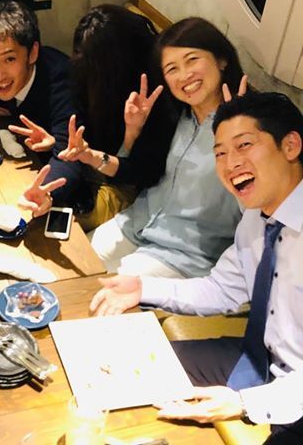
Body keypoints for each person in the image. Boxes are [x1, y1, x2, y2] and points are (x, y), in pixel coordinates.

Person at [89, 92, 303, 444]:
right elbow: (220, 289)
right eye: (219, 153)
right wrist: (143, 288)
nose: (230, 164)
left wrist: (245, 403)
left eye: (244, 145)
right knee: (123, 367)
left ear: (290, 145)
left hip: (295, 392)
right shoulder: (256, 218)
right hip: (258, 358)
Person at [82, 17, 244, 278]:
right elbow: (138, 173)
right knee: (75, 264)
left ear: (222, 60)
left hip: (185, 254)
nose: (184, 75)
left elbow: (261, 209)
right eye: (172, 69)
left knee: (95, 292)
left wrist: (244, 139)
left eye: (192, 60)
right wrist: (133, 132)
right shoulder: (176, 116)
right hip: (137, 224)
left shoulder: (249, 126)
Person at [17, 5, 174, 231]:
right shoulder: (88, 77)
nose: (79, 61)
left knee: (41, 225)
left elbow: (142, 175)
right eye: (78, 52)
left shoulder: (153, 97)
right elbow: (80, 137)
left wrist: (130, 137)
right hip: (89, 175)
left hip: (124, 189)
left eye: (90, 60)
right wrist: (56, 140)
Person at [0, 0, 83, 204]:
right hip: (13, 161)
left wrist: (45, 193)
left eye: (9, 59)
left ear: (33, 53)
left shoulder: (62, 82)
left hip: (54, 176)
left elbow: (69, 156)